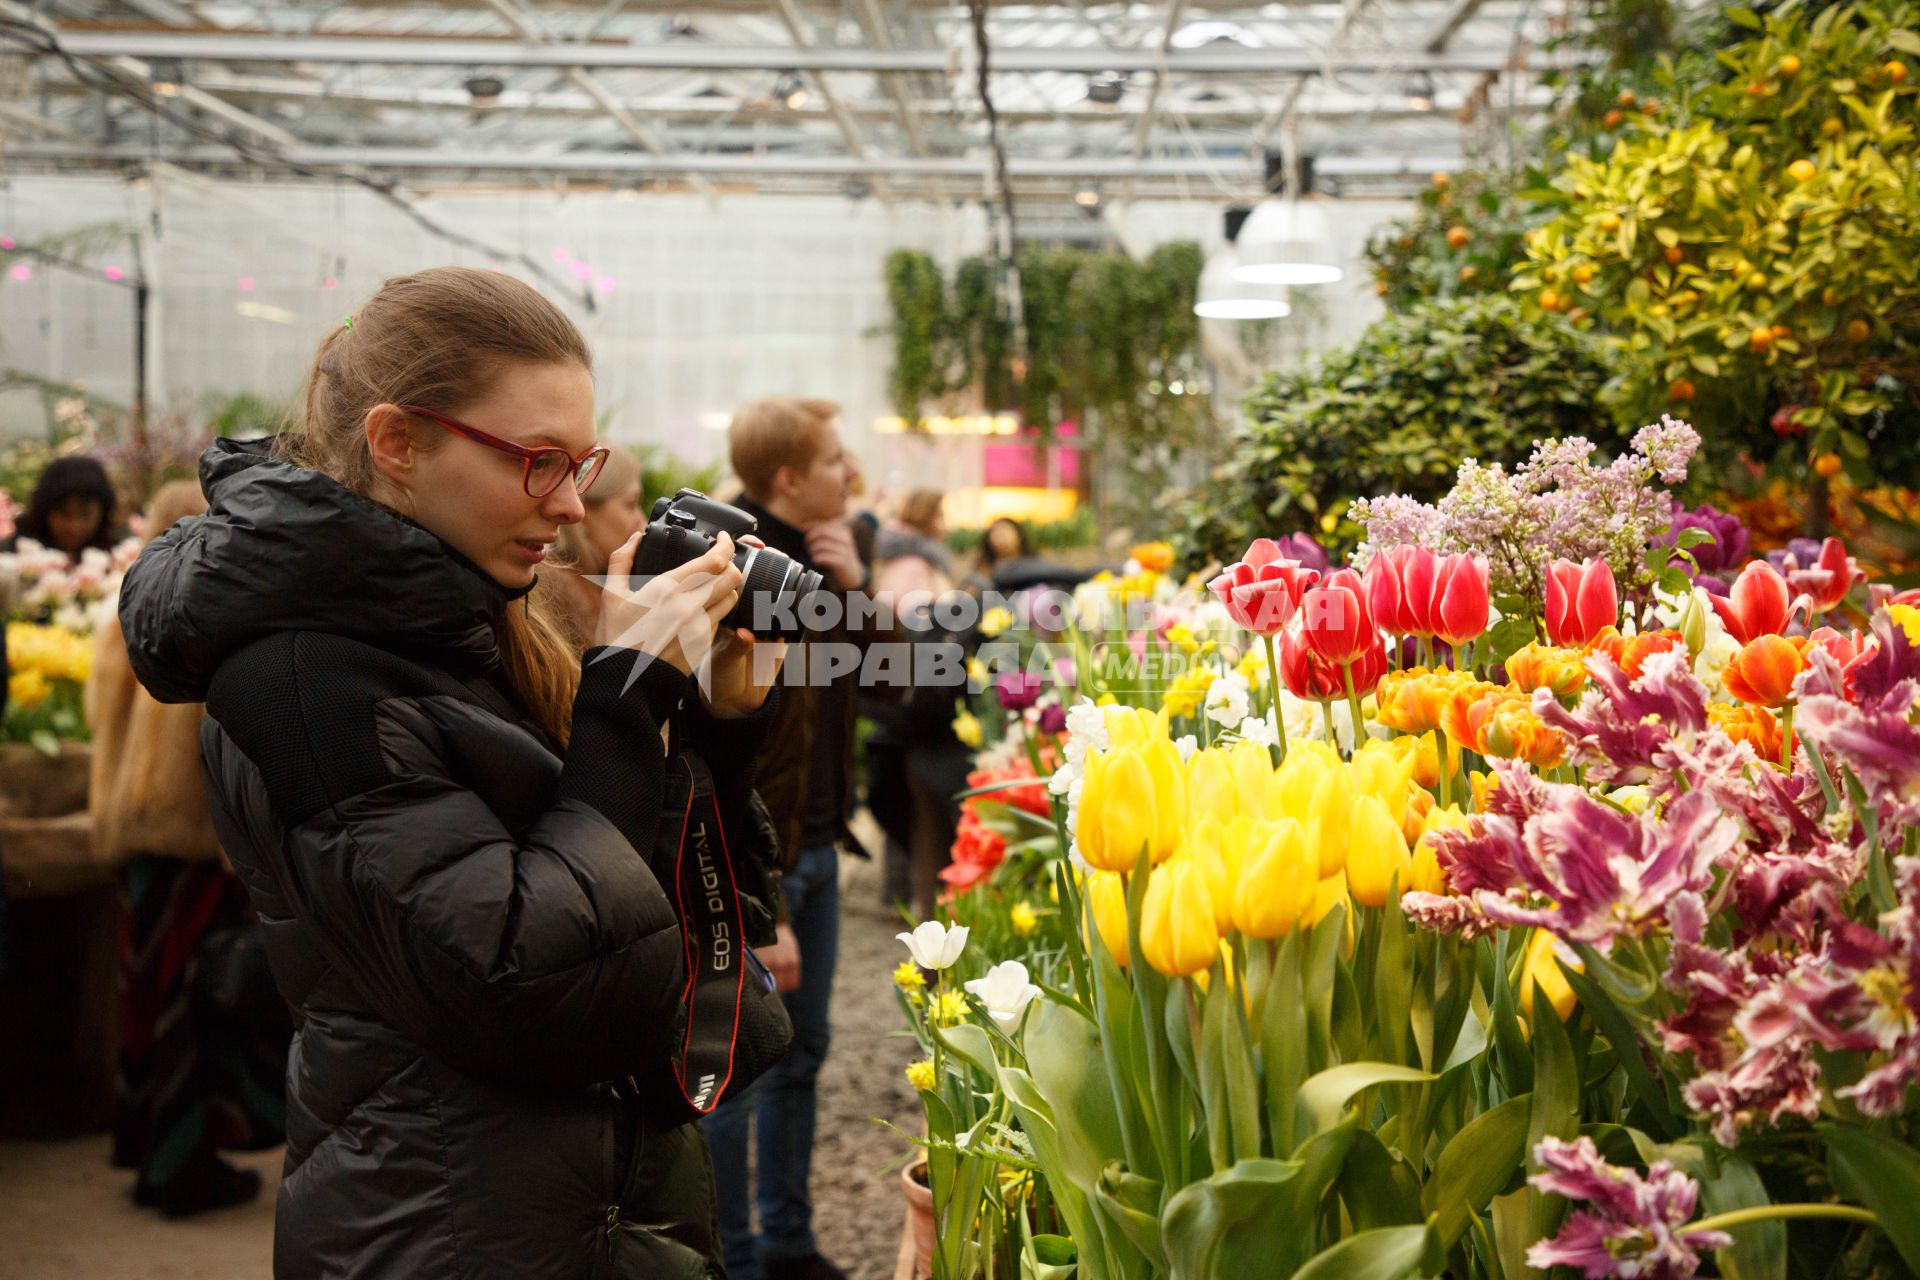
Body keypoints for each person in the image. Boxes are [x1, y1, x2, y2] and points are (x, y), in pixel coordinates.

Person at [117, 267, 790, 1279]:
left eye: (583, 461)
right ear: (397, 442)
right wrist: (621, 706)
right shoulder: (303, 678)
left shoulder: (478, 619)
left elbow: (667, 935)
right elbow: (533, 979)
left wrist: (717, 724)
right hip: (442, 1230)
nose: (570, 505)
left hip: (561, 1210)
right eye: (538, 461)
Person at [704, 395, 874, 1280]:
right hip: (757, 861)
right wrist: (760, 904)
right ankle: (734, 1259)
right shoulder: (740, 571)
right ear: (788, 478)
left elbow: (878, 686)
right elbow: (737, 753)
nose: (851, 473)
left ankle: (789, 1243)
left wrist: (852, 591)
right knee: (739, 1067)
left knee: (803, 1057)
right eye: (837, 459)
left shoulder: (823, 561)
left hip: (813, 847)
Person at [89, 478, 291, 1217]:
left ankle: (149, 1147)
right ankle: (179, 1167)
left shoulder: (126, 612)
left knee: (146, 997)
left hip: (135, 836)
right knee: (190, 1005)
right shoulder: (208, 618)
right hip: (190, 839)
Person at [549, 444, 646, 649]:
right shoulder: (560, 603)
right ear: (582, 510)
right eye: (630, 504)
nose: (642, 522)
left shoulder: (584, 586)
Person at [2, 455, 122, 558]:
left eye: (85, 514)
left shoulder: (121, 556)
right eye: (64, 513)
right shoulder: (11, 556)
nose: (74, 526)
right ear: (44, 511)